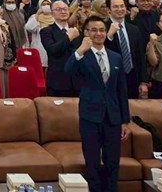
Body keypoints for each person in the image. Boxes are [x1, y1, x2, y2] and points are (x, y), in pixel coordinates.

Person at [65, 16, 130, 192]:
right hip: (90, 116)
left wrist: (125, 120)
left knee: (112, 162)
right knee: (92, 162)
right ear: (86, 33)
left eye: (102, 30)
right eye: (94, 30)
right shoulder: (81, 55)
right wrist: (80, 51)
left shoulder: (115, 57)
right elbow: (67, 71)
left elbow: (121, 91)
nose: (99, 33)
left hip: (113, 117)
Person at [104, 0, 148, 99]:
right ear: (108, 10)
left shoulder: (134, 29)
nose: (119, 9)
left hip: (132, 76)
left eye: (122, 6)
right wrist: (108, 36)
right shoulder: (102, 28)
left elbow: (140, 56)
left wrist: (143, 82)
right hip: (111, 78)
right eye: (115, 7)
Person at [40, 0, 80, 97]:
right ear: (52, 13)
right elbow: (53, 50)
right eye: (58, 9)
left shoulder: (76, 31)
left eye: (65, 9)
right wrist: (69, 38)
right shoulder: (47, 31)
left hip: (77, 81)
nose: (63, 12)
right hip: (58, 81)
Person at [25, 0, 55, 67]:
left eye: (48, 4)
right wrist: (37, 14)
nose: (46, 6)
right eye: (43, 4)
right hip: (39, 48)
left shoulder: (54, 17)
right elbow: (29, 28)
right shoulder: (34, 17)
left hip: (52, 48)